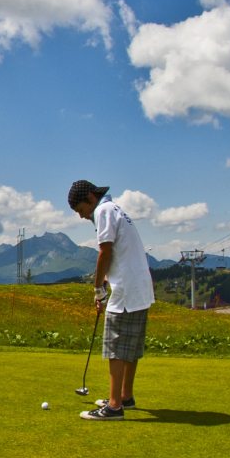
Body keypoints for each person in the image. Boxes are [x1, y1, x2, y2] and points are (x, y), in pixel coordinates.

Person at [67, 180, 153, 420]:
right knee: (131, 347)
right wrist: (104, 283)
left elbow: (105, 251)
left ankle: (114, 407)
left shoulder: (103, 211)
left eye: (81, 210)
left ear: (91, 199)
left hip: (126, 288)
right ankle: (126, 396)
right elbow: (116, 252)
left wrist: (97, 288)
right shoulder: (115, 209)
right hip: (139, 286)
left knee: (116, 347)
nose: (82, 217)